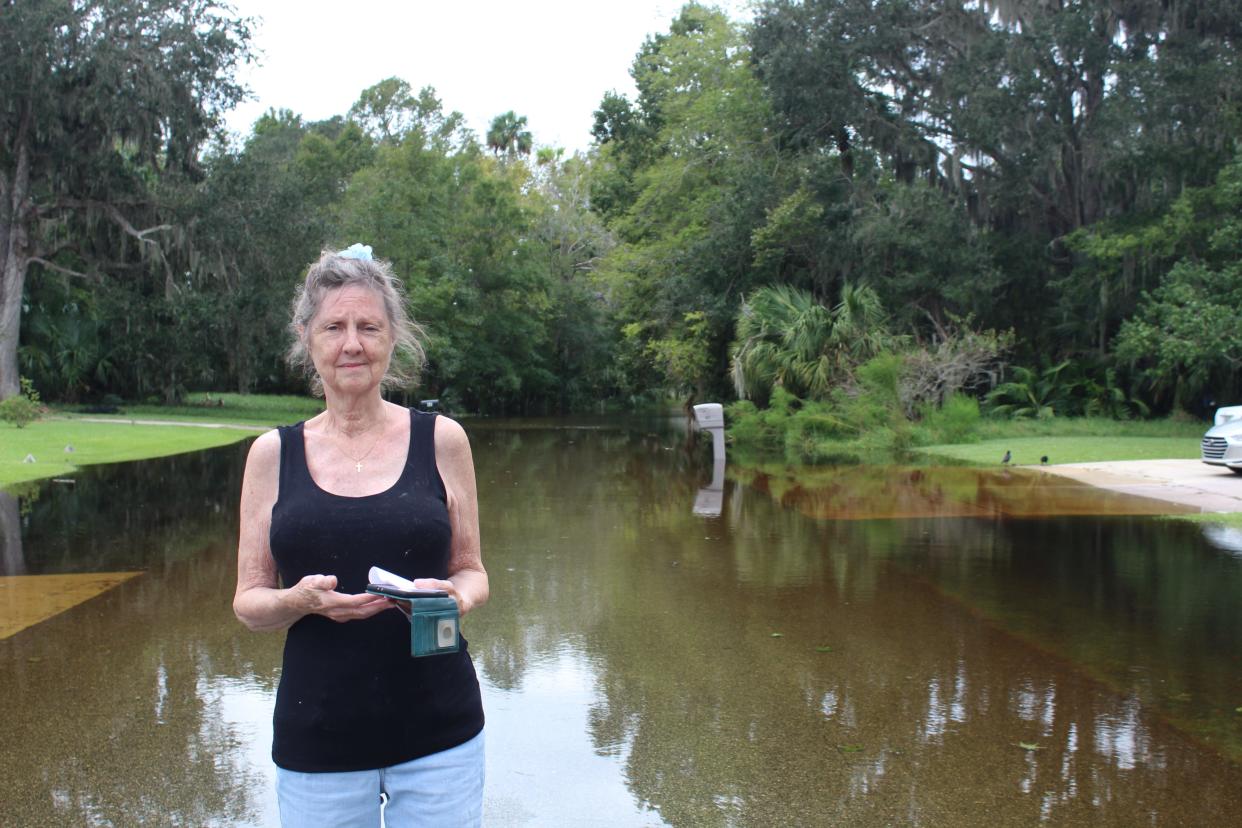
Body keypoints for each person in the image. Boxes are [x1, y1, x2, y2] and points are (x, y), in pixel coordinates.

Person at [233, 244, 488, 827]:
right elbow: (249, 602)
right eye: (335, 327)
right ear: (307, 337)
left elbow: (472, 569)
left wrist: (460, 596)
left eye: (369, 326)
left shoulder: (442, 440)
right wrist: (298, 602)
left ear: (391, 337)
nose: (353, 343)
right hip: (317, 734)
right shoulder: (272, 455)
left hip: (441, 730)